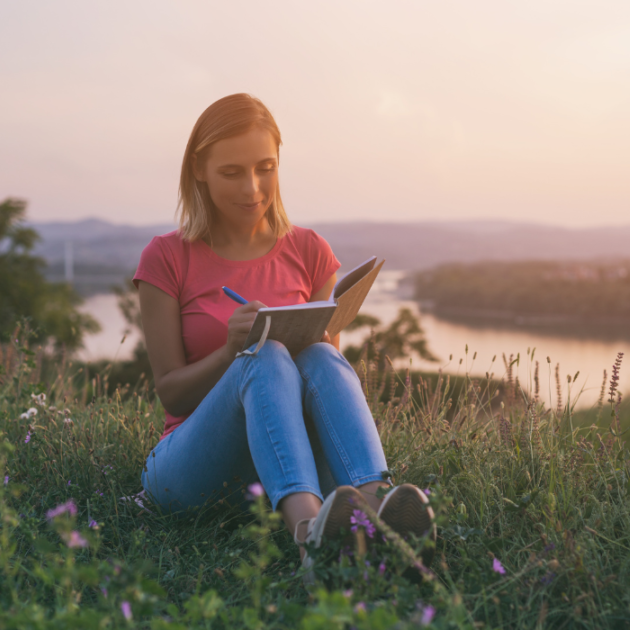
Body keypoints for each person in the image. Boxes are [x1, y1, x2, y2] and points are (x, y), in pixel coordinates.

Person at [134, 93, 434, 581]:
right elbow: (171, 391)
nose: (253, 188)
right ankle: (310, 537)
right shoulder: (167, 258)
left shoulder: (310, 251)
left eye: (265, 168)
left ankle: (378, 510)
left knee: (317, 352)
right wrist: (232, 353)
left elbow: (321, 390)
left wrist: (321, 333)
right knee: (263, 355)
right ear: (199, 170)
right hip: (191, 468)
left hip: (283, 462)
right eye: (232, 172)